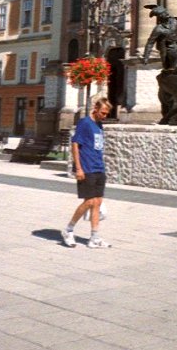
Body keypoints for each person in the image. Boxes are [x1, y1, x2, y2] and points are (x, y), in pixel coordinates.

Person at [61, 97, 112, 249]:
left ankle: (94, 238)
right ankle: (68, 230)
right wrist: (78, 168)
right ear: (95, 109)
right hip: (87, 168)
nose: (104, 116)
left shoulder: (99, 125)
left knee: (97, 202)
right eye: (103, 113)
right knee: (89, 201)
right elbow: (76, 144)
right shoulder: (85, 123)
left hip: (99, 168)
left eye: (106, 114)